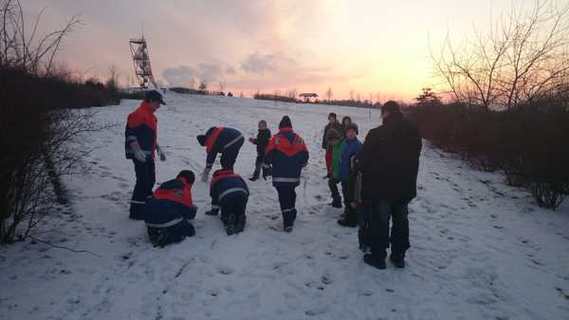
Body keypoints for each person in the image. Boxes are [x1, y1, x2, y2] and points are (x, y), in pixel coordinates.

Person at [356, 101, 422, 269]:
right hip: (405, 187)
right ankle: (398, 256)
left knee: (380, 222)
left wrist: (359, 167)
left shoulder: (377, 134)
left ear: (386, 113)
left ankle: (378, 257)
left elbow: (363, 161)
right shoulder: (414, 133)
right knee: (401, 222)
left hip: (382, 188)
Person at [124, 90, 167, 220]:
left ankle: (146, 204)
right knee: (143, 181)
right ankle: (136, 212)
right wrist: (136, 150)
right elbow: (130, 133)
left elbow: (149, 136)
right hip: (139, 154)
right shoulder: (138, 114)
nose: (159, 106)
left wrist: (158, 148)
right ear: (151, 101)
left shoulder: (151, 116)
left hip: (148, 154)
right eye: (158, 103)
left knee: (150, 180)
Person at [264, 116, 309, 232]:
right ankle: (292, 212)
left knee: (283, 197)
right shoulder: (299, 139)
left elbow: (268, 155)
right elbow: (305, 155)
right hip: (294, 176)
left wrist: (267, 166)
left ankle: (287, 222)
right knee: (291, 192)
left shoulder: (275, 139)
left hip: (279, 175)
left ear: (280, 127)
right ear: (290, 127)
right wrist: (300, 163)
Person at [144, 170, 197, 248]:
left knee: (164, 210)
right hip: (165, 216)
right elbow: (188, 213)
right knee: (190, 230)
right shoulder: (184, 189)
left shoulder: (165, 184)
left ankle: (154, 230)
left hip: (148, 217)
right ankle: (167, 236)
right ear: (190, 182)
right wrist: (193, 210)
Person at [205, 168, 249, 235]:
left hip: (226, 196)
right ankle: (240, 216)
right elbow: (246, 189)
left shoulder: (215, 179)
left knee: (227, 210)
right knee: (240, 208)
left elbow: (214, 197)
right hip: (242, 194)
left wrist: (214, 210)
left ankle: (228, 218)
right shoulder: (237, 176)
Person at [336, 123, 362, 227]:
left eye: (353, 132)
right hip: (344, 175)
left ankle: (351, 220)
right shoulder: (344, 143)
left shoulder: (358, 145)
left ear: (356, 133)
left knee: (351, 198)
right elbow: (341, 159)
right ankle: (348, 213)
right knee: (346, 197)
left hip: (353, 178)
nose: (350, 134)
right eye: (348, 132)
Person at [322, 113, 343, 177]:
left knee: (333, 160)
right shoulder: (327, 126)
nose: (331, 120)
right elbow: (324, 136)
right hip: (328, 146)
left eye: (332, 118)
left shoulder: (339, 126)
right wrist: (324, 144)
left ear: (335, 118)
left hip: (336, 146)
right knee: (327, 159)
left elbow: (341, 135)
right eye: (330, 118)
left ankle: (334, 173)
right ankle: (329, 173)